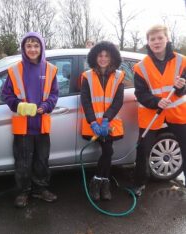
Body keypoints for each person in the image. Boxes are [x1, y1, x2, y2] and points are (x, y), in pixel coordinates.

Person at [2, 32, 59, 208]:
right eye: (29, 46)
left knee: (42, 160)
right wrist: (19, 105)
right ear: (23, 49)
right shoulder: (14, 70)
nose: (32, 49)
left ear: (41, 47)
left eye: (36, 45)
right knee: (23, 162)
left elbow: (55, 94)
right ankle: (23, 192)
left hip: (42, 125)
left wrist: (46, 106)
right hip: (22, 126)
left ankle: (40, 189)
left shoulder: (50, 69)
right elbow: (6, 95)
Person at [132, 25, 186, 196]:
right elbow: (140, 93)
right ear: (148, 42)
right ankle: (139, 183)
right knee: (142, 149)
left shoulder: (182, 61)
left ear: (167, 39)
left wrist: (180, 88)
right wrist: (156, 102)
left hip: (178, 113)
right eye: (152, 39)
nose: (156, 42)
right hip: (151, 114)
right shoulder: (141, 67)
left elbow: (183, 89)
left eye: (160, 38)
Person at [80, 41, 125, 201]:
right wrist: (93, 122)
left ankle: (98, 182)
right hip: (93, 124)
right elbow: (85, 101)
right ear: (95, 57)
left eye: (107, 55)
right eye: (100, 55)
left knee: (108, 151)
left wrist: (106, 120)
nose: (103, 58)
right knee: (108, 152)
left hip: (109, 124)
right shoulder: (87, 76)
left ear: (112, 57)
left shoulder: (119, 76)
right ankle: (102, 182)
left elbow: (118, 101)